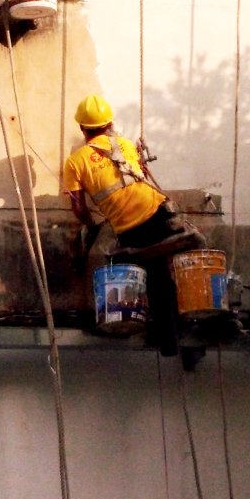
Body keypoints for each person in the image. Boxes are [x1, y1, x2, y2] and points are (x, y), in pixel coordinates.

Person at [62, 93, 185, 356]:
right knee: (165, 272)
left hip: (132, 227)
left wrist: (90, 222)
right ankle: (180, 326)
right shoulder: (126, 145)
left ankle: (164, 338)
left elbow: (79, 209)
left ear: (82, 127)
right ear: (109, 124)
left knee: (147, 276)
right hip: (160, 210)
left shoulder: (74, 163)